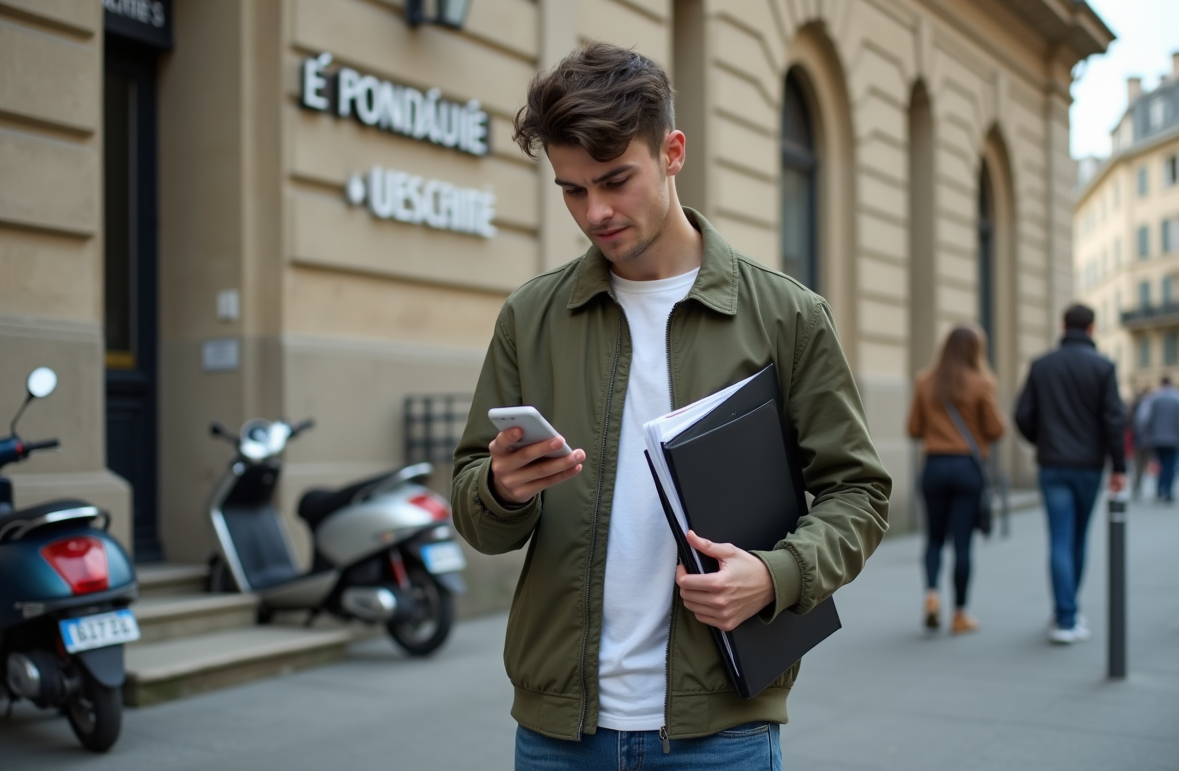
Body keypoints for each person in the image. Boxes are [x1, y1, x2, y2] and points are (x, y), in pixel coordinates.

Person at [451, 43, 891, 769]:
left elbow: (859, 493)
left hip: (720, 732)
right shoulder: (531, 318)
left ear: (672, 153)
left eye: (615, 180)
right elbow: (476, 512)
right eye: (571, 189)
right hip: (560, 734)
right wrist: (499, 489)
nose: (594, 211)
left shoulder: (785, 316)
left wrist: (776, 575)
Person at [1014, 304, 1125, 645]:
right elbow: (1114, 421)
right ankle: (1069, 613)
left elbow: (1022, 415)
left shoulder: (1042, 365)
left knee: (1060, 539)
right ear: (1092, 329)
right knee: (1078, 539)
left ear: (1063, 326)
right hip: (1089, 467)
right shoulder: (1104, 367)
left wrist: (1044, 441)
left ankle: (1064, 613)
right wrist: (1119, 466)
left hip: (1053, 465)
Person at [906, 326, 1005, 635]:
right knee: (962, 544)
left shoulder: (925, 381)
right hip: (967, 468)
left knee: (934, 539)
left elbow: (913, 428)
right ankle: (960, 614)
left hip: (934, 466)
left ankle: (932, 596)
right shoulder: (982, 382)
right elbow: (996, 430)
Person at [1134, 375, 1179, 503]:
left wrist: (1145, 434)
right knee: (1170, 464)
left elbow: (1143, 418)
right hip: (1175, 438)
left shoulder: (1153, 397)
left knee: (1160, 463)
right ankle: (1168, 490)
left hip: (1157, 438)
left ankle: (1161, 488)